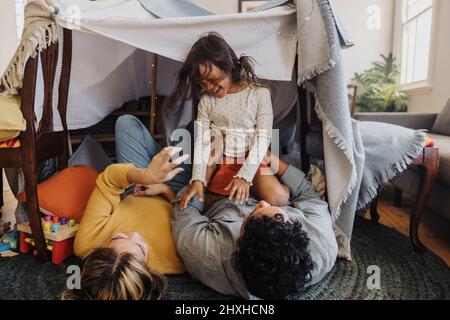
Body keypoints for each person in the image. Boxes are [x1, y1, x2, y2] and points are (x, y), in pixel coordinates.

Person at [171, 151, 338, 299]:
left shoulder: (208, 256)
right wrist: (266, 155)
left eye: (250, 218)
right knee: (276, 195)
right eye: (279, 215)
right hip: (266, 182)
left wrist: (208, 168)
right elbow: (306, 191)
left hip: (219, 195)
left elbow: (186, 207)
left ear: (237, 247)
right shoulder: (322, 245)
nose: (263, 203)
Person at [61, 115, 191, 300]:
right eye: (140, 246)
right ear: (149, 271)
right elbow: (194, 211)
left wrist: (145, 176)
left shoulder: (87, 243)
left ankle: (157, 161)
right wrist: (165, 190)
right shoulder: (177, 261)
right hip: (177, 191)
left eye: (119, 236)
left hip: (135, 186)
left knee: (126, 123)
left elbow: (108, 181)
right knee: (194, 130)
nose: (134, 234)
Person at [165, 32, 289, 209]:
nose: (208, 87)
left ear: (229, 67)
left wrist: (245, 175)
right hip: (219, 158)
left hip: (250, 158)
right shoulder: (207, 101)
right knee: (201, 201)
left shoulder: (259, 94)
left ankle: (265, 185)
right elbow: (202, 142)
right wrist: (198, 178)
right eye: (202, 83)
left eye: (213, 79)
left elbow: (264, 138)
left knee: (279, 199)